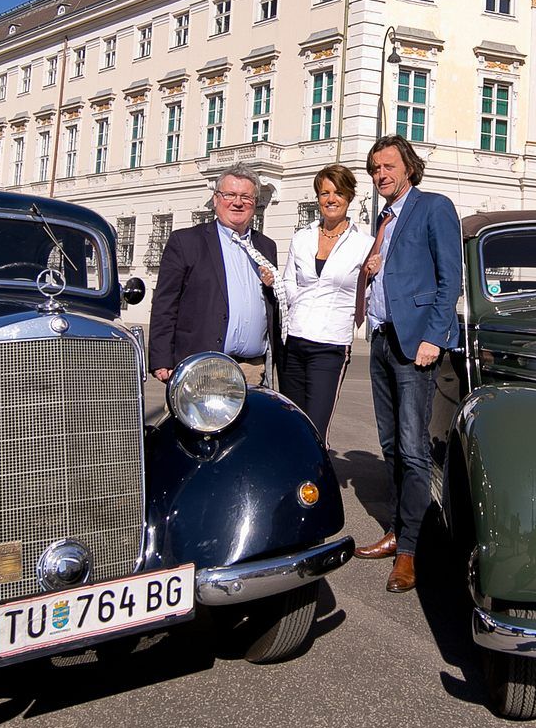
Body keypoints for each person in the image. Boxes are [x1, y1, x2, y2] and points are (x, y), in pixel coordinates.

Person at [352, 134, 463, 594]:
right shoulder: (384, 218)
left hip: (416, 342)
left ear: (409, 168)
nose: (382, 175)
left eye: (389, 166)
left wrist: (434, 338)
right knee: (391, 445)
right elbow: (393, 273)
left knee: (415, 450)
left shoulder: (433, 206)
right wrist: (370, 268)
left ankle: (410, 552)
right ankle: (397, 528)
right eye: (376, 169)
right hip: (381, 339)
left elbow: (448, 276)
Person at [148, 164, 278, 387]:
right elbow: (165, 303)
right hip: (201, 365)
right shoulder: (187, 242)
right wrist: (161, 358)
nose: (237, 202)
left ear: (254, 203)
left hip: (251, 369)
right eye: (230, 195)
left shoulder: (266, 247)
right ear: (216, 199)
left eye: (246, 197)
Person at [274, 164, 366, 443]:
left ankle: (317, 483)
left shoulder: (364, 244)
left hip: (330, 346)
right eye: (324, 193)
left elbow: (368, 293)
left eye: (338, 192)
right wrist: (298, 306)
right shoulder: (302, 238)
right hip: (294, 340)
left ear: (349, 197)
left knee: (315, 427)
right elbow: (290, 281)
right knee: (291, 422)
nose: (330, 199)